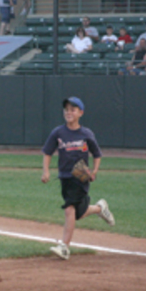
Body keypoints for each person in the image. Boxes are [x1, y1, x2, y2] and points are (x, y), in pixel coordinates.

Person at [41, 96, 115, 260]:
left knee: (69, 210)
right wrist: (46, 171)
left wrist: (94, 171)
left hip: (80, 175)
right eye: (66, 109)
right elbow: (47, 152)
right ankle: (99, 208)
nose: (69, 112)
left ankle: (65, 247)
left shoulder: (86, 133)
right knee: (77, 214)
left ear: (80, 113)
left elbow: (97, 154)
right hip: (64, 176)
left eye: (73, 109)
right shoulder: (58, 132)